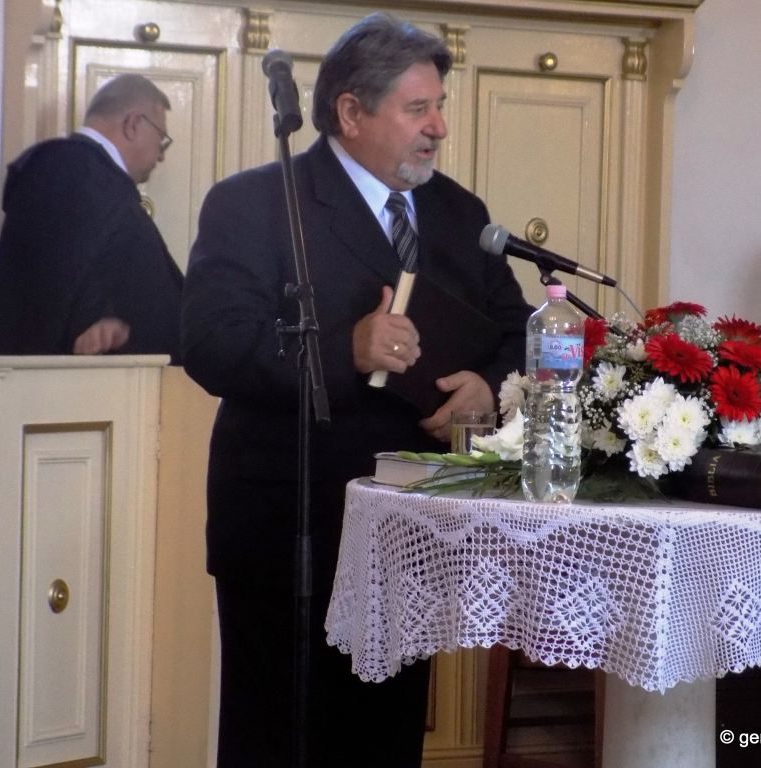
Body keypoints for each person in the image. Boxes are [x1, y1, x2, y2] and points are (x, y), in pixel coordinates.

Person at [182, 13, 532, 768]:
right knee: (277, 744)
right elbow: (212, 346)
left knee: (385, 742)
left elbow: (518, 331)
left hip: (413, 529)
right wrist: (344, 349)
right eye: (418, 109)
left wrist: (487, 388)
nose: (438, 127)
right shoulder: (254, 203)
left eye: (439, 107)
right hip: (288, 527)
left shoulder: (459, 213)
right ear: (350, 111)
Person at [0, 73, 183, 361]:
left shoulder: (72, 172)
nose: (160, 156)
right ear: (134, 124)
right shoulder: (78, 173)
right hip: (67, 381)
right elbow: (59, 288)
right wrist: (95, 323)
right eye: (161, 139)